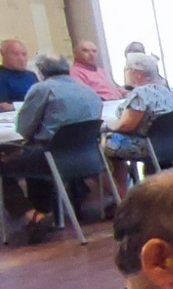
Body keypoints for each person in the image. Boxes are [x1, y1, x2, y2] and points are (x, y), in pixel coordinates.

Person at [0, 52, 102, 243]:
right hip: (89, 158)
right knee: (34, 156)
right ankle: (45, 211)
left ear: (40, 71)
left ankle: (33, 215)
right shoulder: (88, 90)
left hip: (53, 159)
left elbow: (23, 128)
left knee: (10, 163)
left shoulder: (42, 89)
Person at [102, 53, 173, 199]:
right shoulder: (164, 90)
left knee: (103, 147)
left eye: (127, 70)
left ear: (137, 73)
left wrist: (109, 125)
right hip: (168, 144)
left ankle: (123, 198)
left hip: (146, 145)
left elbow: (126, 126)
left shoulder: (140, 93)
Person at [0, 39, 39, 109]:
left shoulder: (32, 75)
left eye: (24, 54)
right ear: (3, 54)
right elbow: (3, 106)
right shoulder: (2, 76)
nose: (21, 58)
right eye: (15, 54)